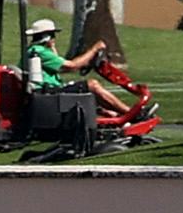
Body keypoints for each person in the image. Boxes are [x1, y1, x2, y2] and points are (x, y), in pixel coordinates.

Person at [23, 12, 157, 137]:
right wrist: (94, 49)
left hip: (49, 92)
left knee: (99, 104)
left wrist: (52, 47)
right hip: (49, 94)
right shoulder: (38, 51)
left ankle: (119, 117)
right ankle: (134, 114)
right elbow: (72, 66)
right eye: (52, 35)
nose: (54, 39)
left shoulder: (36, 51)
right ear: (46, 36)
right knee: (92, 85)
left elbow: (61, 67)